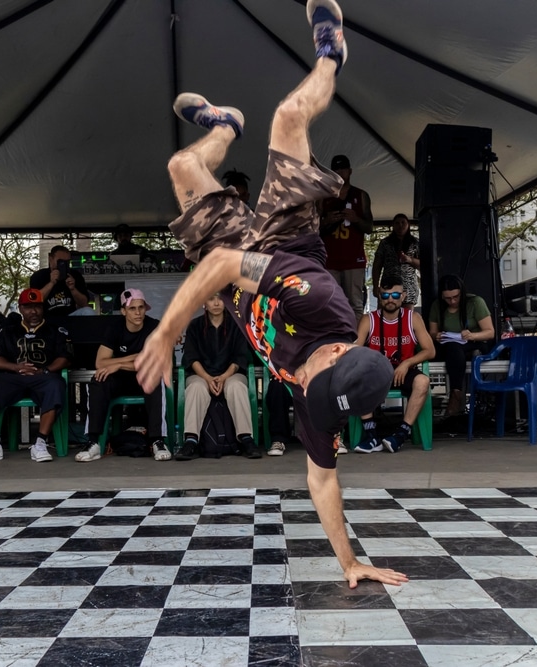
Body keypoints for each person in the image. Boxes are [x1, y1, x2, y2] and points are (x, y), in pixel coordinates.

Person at [136, 0, 406, 588]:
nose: (305, 392)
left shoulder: (322, 405)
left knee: (182, 164)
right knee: (287, 117)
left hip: (241, 275)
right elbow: (229, 262)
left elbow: (323, 479)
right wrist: (165, 330)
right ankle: (331, 53)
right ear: (336, 353)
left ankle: (224, 128)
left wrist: (351, 562)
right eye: (317, 385)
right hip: (286, 245)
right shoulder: (322, 302)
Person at [0, 288, 71, 463]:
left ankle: (40, 442)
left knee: (56, 384)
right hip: (14, 377)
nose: (33, 311)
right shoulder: (8, 330)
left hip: (43, 377)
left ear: (43, 308)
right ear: (20, 308)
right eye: (28, 307)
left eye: (37, 306)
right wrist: (15, 367)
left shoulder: (56, 331)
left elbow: (65, 358)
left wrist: (44, 370)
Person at [76, 288, 172, 462]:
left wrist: (118, 363)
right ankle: (94, 442)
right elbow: (100, 362)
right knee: (98, 380)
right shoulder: (114, 328)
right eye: (132, 308)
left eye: (141, 308)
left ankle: (157, 440)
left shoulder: (154, 327)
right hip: (121, 379)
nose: (138, 312)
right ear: (123, 311)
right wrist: (134, 357)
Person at [354, 275, 435, 452]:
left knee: (423, 382)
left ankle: (401, 433)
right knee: (355, 378)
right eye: (385, 295)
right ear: (378, 296)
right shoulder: (369, 320)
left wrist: (407, 364)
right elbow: (355, 350)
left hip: (404, 370)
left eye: (396, 295)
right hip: (376, 371)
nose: (390, 299)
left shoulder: (413, 318)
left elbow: (430, 350)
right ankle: (372, 435)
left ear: (404, 296)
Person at [177, 293, 260, 460]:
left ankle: (246, 439)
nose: (216, 303)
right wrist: (208, 378)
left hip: (231, 374)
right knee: (195, 387)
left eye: (221, 298)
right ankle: (191, 440)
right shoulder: (195, 325)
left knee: (236, 386)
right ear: (204, 303)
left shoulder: (236, 324)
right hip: (201, 374)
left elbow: (239, 358)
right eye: (211, 298)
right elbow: (192, 358)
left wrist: (223, 377)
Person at [428, 274, 495, 417]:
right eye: (447, 298)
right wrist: (437, 336)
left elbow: (490, 332)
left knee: (455, 350)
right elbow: (432, 332)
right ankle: (455, 393)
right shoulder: (437, 306)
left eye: (456, 297)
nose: (452, 301)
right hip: (450, 345)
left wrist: (472, 335)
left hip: (474, 343)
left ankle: (455, 393)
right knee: (452, 349)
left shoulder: (475, 302)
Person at [318, 153, 372, 316]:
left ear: (350, 171)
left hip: (353, 260)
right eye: (336, 170)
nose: (340, 173)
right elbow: (311, 229)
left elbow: (369, 227)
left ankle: (356, 340)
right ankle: (335, 339)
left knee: (355, 304)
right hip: (330, 260)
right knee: (331, 303)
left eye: (343, 169)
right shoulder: (322, 197)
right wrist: (326, 221)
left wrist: (356, 219)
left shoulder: (361, 195)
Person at [373, 213, 421, 308]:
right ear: (393, 225)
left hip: (408, 287)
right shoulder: (385, 243)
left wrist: (410, 259)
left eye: (403, 223)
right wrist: (375, 286)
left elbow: (423, 265)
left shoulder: (415, 243)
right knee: (384, 318)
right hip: (388, 286)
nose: (400, 226)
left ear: (408, 224)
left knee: (406, 319)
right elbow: (377, 265)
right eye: (397, 223)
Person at [29, 245, 92, 316]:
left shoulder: (75, 275)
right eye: (60, 261)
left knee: (88, 311)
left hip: (70, 317)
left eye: (67, 262)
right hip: (47, 318)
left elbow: (84, 303)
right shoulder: (39, 276)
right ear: (51, 259)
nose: (63, 265)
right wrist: (51, 283)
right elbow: (34, 300)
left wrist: (73, 289)